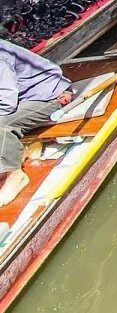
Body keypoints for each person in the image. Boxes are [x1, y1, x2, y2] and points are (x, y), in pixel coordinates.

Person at [0, 38, 74, 207]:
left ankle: (14, 175)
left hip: (47, 96)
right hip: (20, 97)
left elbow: (6, 102)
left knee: (2, 125)